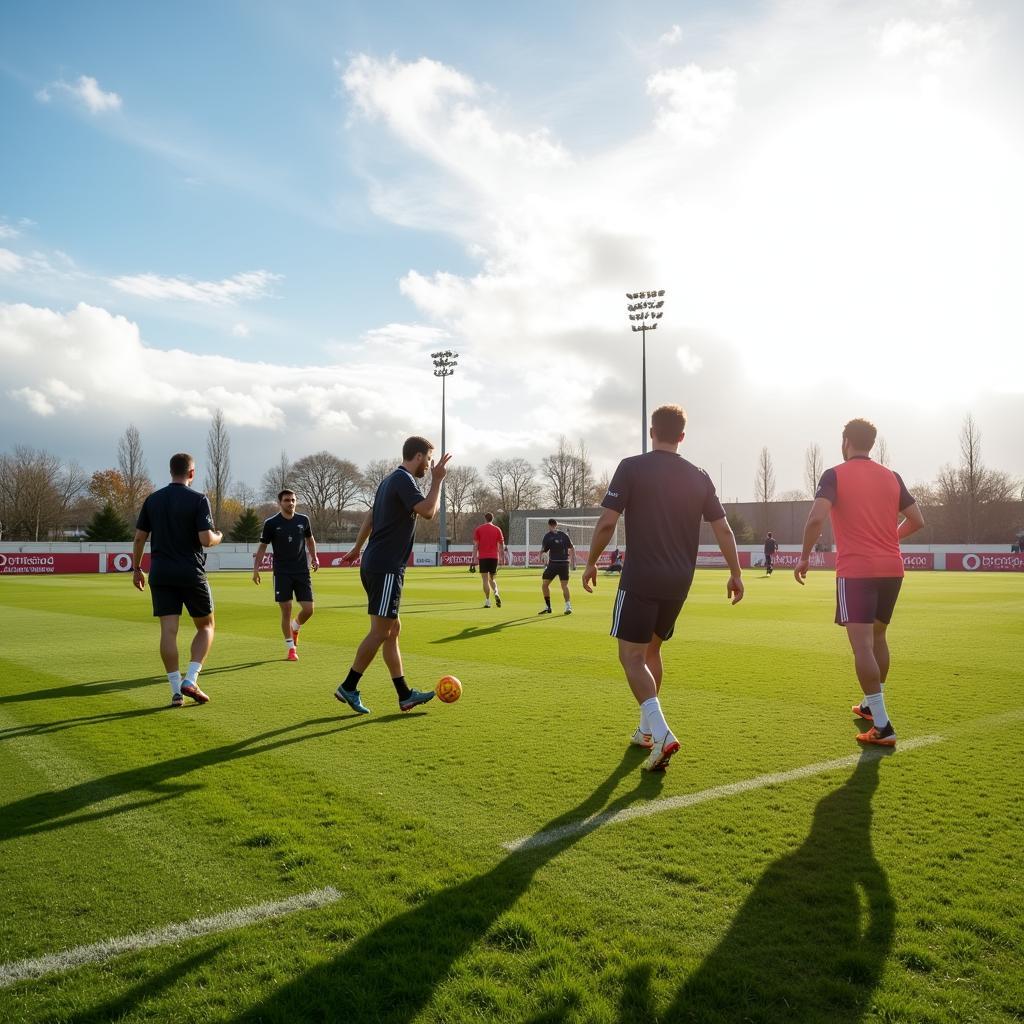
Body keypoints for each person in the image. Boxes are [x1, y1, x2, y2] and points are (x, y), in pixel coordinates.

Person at [583, 405, 744, 771]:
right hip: (679, 580)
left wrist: (591, 561)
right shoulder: (699, 475)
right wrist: (736, 572)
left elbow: (608, 523)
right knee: (653, 650)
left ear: (651, 431)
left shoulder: (632, 467)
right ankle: (645, 731)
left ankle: (662, 732)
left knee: (630, 657)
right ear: (682, 436)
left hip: (641, 576)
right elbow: (723, 529)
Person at [794, 418, 925, 748]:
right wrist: (888, 538)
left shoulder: (835, 474)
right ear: (872, 442)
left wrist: (805, 556)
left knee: (862, 646)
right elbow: (917, 520)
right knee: (879, 637)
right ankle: (871, 706)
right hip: (892, 569)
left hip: (857, 571)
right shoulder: (892, 477)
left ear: (845, 441)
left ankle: (882, 725)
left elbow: (815, 518)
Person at [333, 437, 451, 715]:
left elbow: (371, 517)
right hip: (386, 566)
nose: (430, 465)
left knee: (392, 630)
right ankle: (348, 686)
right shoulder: (404, 480)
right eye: (429, 459)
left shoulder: (388, 481)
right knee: (381, 632)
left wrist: (356, 548)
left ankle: (404, 694)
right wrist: (438, 481)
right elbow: (428, 512)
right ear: (419, 456)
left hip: (376, 562)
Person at [131, 452, 222, 707]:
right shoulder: (198, 499)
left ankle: (175, 691)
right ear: (192, 473)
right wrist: (218, 536)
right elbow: (206, 539)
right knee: (206, 626)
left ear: (171, 471)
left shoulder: (153, 499)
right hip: (190, 572)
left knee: (168, 631)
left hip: (160, 573)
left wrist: (137, 569)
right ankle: (191, 678)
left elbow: (139, 538)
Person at [252, 489, 319, 661]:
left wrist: (315, 557)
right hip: (282, 573)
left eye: (293, 500)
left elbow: (310, 539)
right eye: (287, 500)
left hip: (301, 571)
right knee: (286, 610)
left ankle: (295, 627)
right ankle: (291, 648)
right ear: (280, 503)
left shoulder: (303, 520)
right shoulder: (271, 523)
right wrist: (256, 569)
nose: (291, 503)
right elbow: (262, 547)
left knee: (309, 609)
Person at [539, 518, 576, 615]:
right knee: (564, 586)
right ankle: (568, 607)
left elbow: (543, 551)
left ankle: (548, 607)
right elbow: (572, 548)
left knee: (545, 585)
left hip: (554, 564)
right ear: (557, 524)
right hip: (564, 564)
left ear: (549, 525)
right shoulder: (564, 535)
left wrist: (542, 557)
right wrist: (572, 562)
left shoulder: (547, 536)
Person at [472, 512, 508, 608]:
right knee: (492, 579)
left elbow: (476, 545)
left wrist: (473, 559)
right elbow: (501, 546)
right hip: (494, 557)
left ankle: (487, 601)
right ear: (493, 519)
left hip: (483, 557)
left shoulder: (479, 529)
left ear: (485, 519)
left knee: (485, 580)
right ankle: (496, 592)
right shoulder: (497, 529)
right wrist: (502, 558)